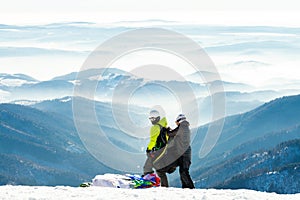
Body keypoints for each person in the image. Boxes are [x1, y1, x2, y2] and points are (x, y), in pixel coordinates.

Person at [167, 114, 195, 189]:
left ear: (179, 121)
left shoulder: (182, 127)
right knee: (183, 171)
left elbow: (170, 133)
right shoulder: (185, 127)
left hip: (184, 153)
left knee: (184, 171)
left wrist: (167, 130)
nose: (176, 123)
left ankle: (190, 188)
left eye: (176, 122)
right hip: (184, 153)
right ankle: (186, 188)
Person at [143, 109, 169, 187]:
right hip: (163, 150)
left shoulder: (155, 127)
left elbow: (153, 140)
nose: (151, 120)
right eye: (150, 119)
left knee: (147, 167)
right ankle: (164, 186)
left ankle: (149, 183)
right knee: (160, 170)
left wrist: (148, 149)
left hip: (157, 151)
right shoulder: (163, 126)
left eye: (153, 118)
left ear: (157, 118)